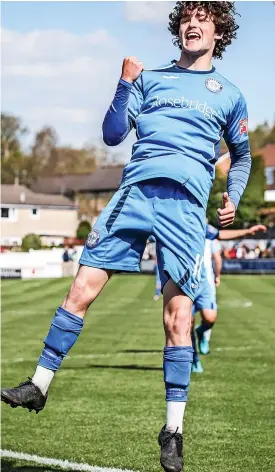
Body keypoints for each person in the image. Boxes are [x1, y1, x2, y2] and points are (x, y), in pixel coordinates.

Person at [1, 3, 251, 471]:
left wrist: (232, 196)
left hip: (184, 208)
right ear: (178, 28)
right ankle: (39, 385)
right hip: (133, 196)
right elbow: (113, 134)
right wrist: (124, 84)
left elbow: (242, 156)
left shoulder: (230, 95)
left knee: (178, 319)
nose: (191, 24)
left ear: (219, 31)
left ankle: (173, 430)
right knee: (80, 290)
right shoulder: (149, 79)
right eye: (185, 18)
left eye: (202, 18)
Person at [192, 224, 267, 373]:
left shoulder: (201, 224)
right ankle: (194, 360)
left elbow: (221, 234)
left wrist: (247, 231)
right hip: (183, 283)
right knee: (186, 324)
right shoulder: (174, 219)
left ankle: (201, 332)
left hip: (204, 283)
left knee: (210, 318)